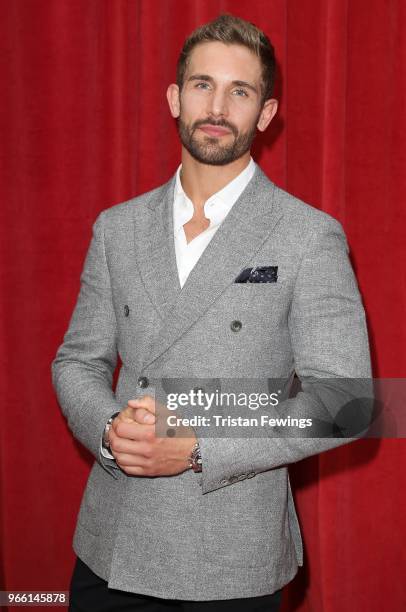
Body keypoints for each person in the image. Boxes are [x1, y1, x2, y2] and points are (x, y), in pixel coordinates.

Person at [52, 13, 372, 612]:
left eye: (240, 91)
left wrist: (198, 445)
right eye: (203, 85)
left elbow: (347, 401)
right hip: (111, 544)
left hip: (231, 560)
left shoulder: (307, 236)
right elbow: (78, 359)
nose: (218, 106)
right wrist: (108, 429)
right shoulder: (117, 229)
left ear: (266, 114)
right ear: (176, 97)